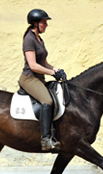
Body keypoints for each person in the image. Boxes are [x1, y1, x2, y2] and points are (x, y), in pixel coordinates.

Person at [19, 9, 65, 151]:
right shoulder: (29, 39)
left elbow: (43, 62)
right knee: (48, 101)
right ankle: (46, 140)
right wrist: (51, 73)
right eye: (44, 22)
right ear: (35, 23)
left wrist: (56, 70)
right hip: (29, 78)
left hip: (39, 78)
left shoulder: (39, 39)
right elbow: (33, 65)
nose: (46, 25)